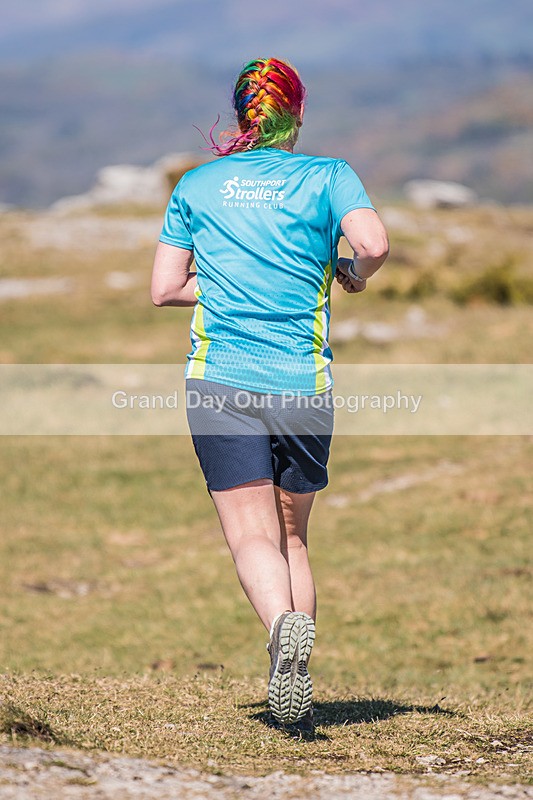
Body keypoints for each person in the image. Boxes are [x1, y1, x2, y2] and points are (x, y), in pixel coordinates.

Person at [151, 57, 389, 733]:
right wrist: (349, 271)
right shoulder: (328, 175)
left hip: (218, 379)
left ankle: (281, 629)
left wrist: (225, 288)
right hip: (302, 383)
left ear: (237, 116)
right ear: (298, 114)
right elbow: (372, 242)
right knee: (292, 536)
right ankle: (297, 673)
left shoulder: (196, 185)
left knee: (248, 533)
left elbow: (165, 288)